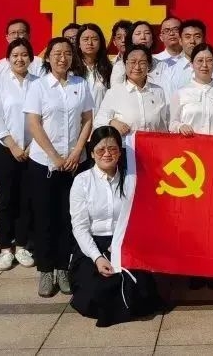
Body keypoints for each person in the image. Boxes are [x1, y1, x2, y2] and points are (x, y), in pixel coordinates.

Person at [68, 126, 162, 326]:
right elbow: (80, 228)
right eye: (101, 150)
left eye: (112, 149)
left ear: (120, 152)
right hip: (93, 246)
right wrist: (97, 257)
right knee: (98, 290)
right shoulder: (82, 181)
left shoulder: (131, 179)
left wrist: (124, 245)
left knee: (138, 289)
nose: (107, 154)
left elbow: (140, 219)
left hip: (124, 242)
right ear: (92, 153)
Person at [25, 37, 95, 297]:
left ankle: (63, 267)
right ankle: (45, 270)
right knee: (45, 217)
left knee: (69, 217)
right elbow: (34, 124)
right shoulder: (38, 86)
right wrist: (55, 156)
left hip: (75, 162)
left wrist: (77, 151)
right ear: (48, 57)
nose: (62, 58)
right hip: (44, 163)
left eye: (67, 53)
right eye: (57, 53)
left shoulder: (80, 84)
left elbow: (87, 120)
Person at [168, 43, 213, 290]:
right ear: (192, 64)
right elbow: (171, 124)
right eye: (199, 60)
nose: (204, 65)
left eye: (209, 60)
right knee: (193, 217)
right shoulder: (181, 93)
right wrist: (180, 127)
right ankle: (193, 267)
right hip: (191, 166)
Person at [0, 38, 38, 271]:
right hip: (5, 149)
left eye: (24, 55)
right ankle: (6, 248)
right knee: (6, 199)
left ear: (31, 58)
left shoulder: (39, 84)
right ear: (8, 59)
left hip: (33, 149)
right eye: (15, 55)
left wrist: (31, 146)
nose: (20, 59)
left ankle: (22, 246)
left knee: (27, 198)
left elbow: (43, 118)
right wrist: (13, 146)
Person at [94, 45, 170, 134]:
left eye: (142, 63)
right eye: (133, 62)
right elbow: (98, 122)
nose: (137, 67)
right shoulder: (114, 92)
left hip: (151, 142)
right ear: (125, 64)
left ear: (148, 66)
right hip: (125, 142)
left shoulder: (158, 91)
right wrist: (112, 122)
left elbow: (163, 127)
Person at [77, 23, 114, 112]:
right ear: (79, 43)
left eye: (94, 39)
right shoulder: (71, 70)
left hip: (103, 119)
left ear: (100, 43)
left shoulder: (110, 69)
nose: (90, 43)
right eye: (85, 39)